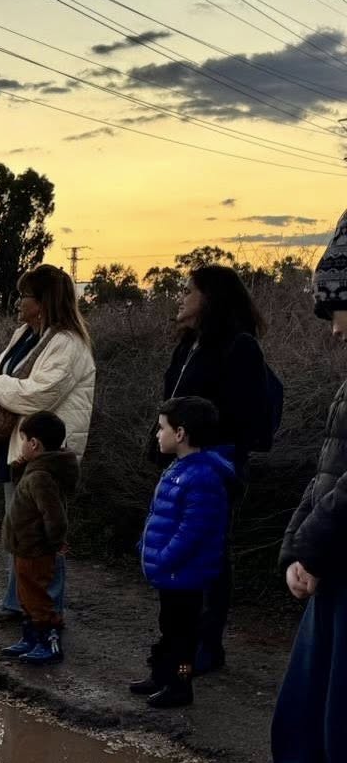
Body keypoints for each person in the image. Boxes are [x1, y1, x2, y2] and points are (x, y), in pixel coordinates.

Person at [211, 224, 347, 763]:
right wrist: (299, 545)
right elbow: (330, 470)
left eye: (337, 310)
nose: (332, 330)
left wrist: (316, 548)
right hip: (334, 576)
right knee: (301, 728)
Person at [157, 264, 271, 674]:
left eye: (189, 290)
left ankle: (208, 646)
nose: (182, 298)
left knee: (209, 554)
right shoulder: (188, 344)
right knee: (180, 549)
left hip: (214, 467)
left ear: (210, 299)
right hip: (178, 464)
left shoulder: (239, 347)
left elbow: (246, 415)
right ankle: (179, 645)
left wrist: (200, 443)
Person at [0, 266, 96, 626]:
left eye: (23, 295)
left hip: (49, 456)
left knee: (43, 535)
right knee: (20, 527)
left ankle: (46, 614)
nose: (17, 302)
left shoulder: (68, 345)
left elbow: (36, 395)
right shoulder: (25, 336)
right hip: (21, 449)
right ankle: (18, 602)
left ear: (41, 302)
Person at [132, 397, 233, 709]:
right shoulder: (180, 468)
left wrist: (164, 557)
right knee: (170, 627)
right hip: (173, 572)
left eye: (161, 428)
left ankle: (180, 682)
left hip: (184, 572)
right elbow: (161, 515)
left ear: (180, 433)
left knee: (183, 636)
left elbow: (193, 529)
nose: (156, 435)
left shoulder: (202, 477)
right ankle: (163, 674)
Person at [0, 410, 79, 665]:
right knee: (26, 595)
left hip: (37, 549)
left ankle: (49, 642)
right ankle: (30, 637)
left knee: (38, 597)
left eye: (24, 440)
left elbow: (55, 517)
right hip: (24, 548)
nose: (21, 445)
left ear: (34, 443)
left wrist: (55, 543)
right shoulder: (34, 469)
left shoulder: (42, 476)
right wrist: (21, 463)